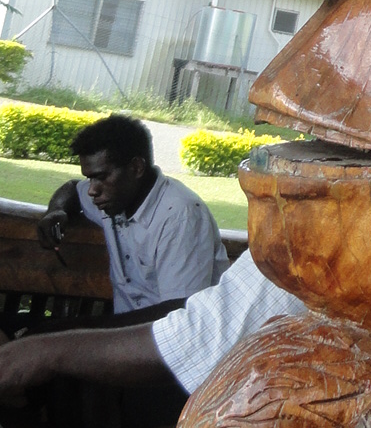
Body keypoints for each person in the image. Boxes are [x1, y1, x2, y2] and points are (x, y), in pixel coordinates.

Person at [0, 247, 306, 401]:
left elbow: (191, 337)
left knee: (93, 387)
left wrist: (46, 350)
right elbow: (75, 190)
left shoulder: (308, 238)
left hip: (206, 386)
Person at [38, 113, 228, 316]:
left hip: (169, 339)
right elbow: (73, 189)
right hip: (126, 335)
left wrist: (94, 331)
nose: (92, 190)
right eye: (90, 178)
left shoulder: (181, 216)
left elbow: (179, 315)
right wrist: (56, 211)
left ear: (136, 167)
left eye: (101, 177)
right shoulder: (115, 197)